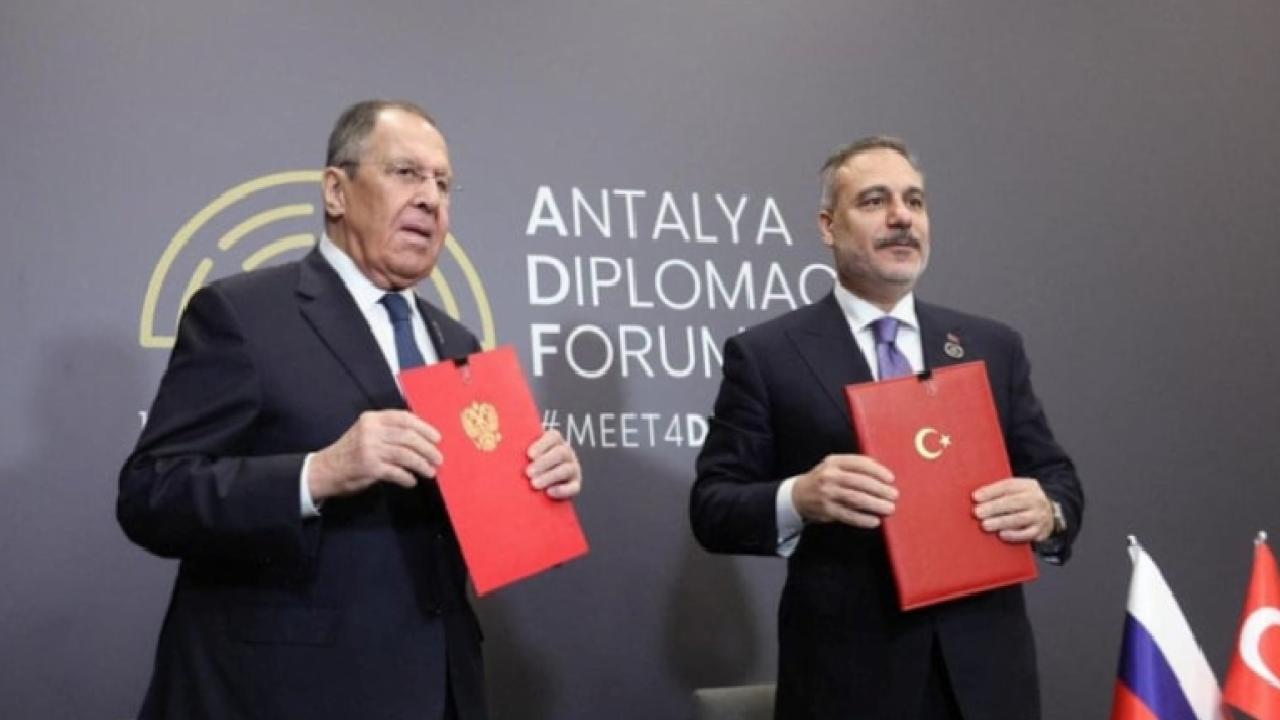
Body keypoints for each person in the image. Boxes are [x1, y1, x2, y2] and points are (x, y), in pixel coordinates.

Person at [118, 99, 582, 720]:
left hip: (441, 690)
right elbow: (152, 494)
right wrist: (319, 473)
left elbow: (470, 528)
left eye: (443, 184)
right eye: (406, 173)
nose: (430, 198)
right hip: (289, 694)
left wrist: (533, 487)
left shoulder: (458, 344)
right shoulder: (244, 315)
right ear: (336, 191)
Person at [689, 136, 1083, 720]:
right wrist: (801, 496)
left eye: (914, 201)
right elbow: (713, 507)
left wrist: (1047, 511)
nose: (902, 217)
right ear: (828, 226)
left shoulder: (991, 346)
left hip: (987, 681)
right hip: (850, 684)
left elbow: (1056, 478)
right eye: (874, 201)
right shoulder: (768, 355)